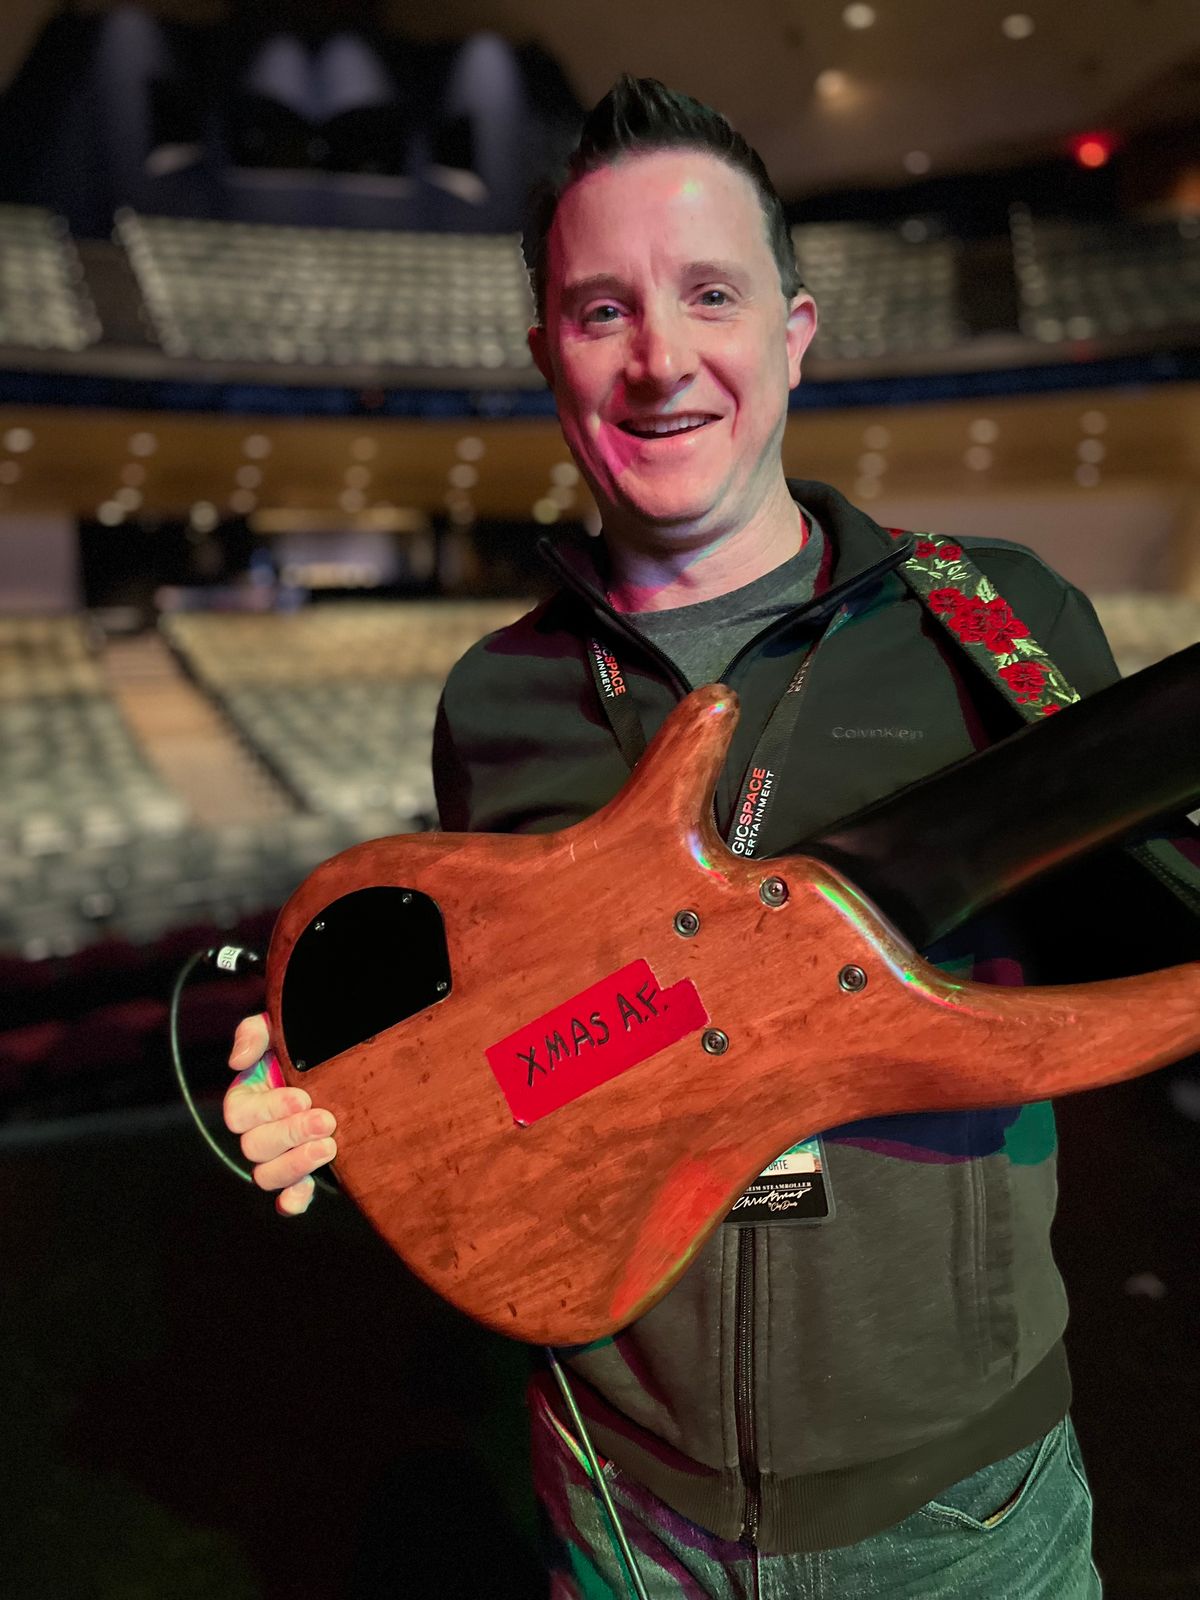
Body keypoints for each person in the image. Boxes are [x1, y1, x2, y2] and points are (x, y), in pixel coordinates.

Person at [224, 76, 1200, 1598]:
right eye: (602, 309)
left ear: (794, 333)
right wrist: (342, 1099)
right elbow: (518, 1056)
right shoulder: (500, 698)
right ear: (547, 353)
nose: (661, 357)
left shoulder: (997, 621)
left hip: (962, 1517)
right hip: (623, 1515)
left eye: (711, 295)